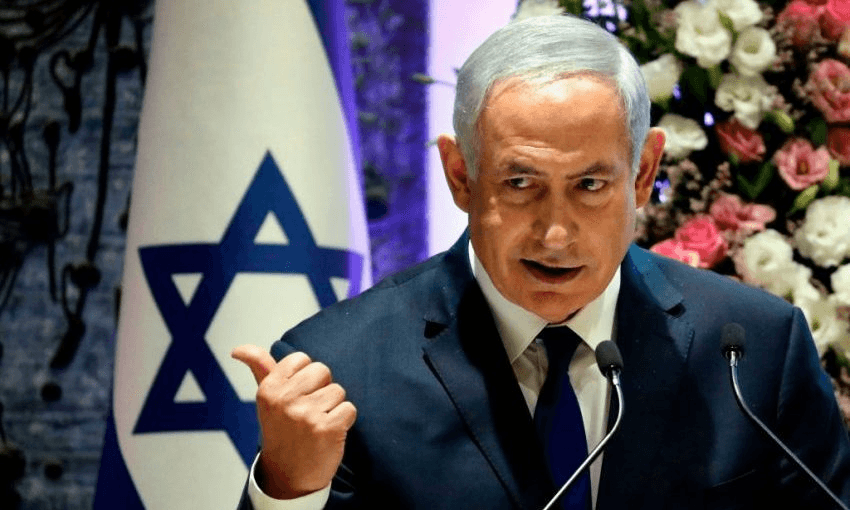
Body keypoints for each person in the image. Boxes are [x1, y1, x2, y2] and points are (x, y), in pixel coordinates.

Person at [233, 14, 850, 510]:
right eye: (521, 183)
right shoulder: (340, 369)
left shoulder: (755, 353)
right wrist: (291, 492)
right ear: (461, 176)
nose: (556, 235)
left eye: (590, 185)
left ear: (643, 175)